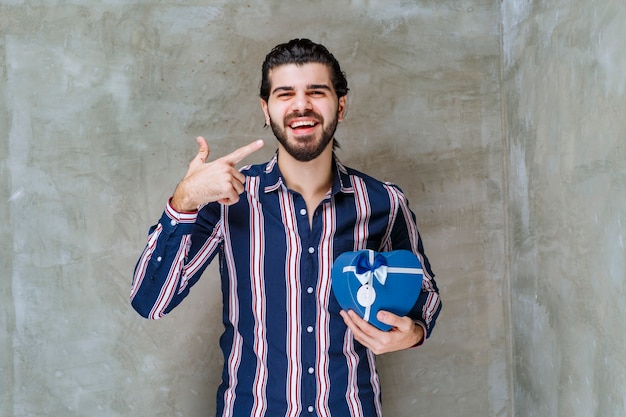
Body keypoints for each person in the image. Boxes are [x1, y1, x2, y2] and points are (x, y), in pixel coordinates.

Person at [131, 38, 441, 417]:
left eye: (316, 91)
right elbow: (150, 301)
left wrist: (415, 332)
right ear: (266, 109)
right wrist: (185, 200)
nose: (301, 105)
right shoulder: (228, 199)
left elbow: (424, 290)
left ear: (340, 106)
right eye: (284, 94)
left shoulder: (384, 202)